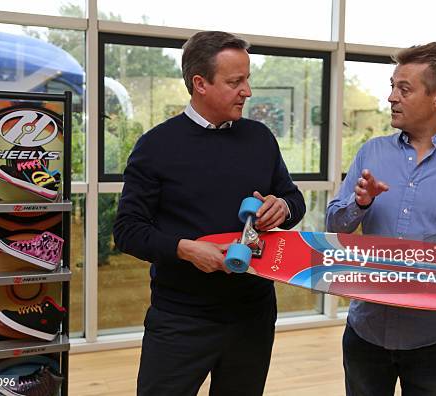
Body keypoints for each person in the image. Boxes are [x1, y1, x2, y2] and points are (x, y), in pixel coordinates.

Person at [113, 31, 306, 396]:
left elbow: (293, 200)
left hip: (254, 314)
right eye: (236, 82)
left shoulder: (260, 138)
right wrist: (185, 249)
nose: (247, 91)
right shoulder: (156, 146)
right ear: (199, 83)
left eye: (247, 79)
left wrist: (282, 207)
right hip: (181, 318)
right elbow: (127, 230)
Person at [326, 42, 436, 396]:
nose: (392, 97)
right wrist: (359, 204)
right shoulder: (371, 152)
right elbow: (335, 226)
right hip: (366, 330)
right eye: (392, 86)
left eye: (404, 88)